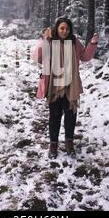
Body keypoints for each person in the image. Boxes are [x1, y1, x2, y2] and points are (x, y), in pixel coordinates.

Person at [32, 17, 98, 159]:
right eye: (62, 28)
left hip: (70, 86)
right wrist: (43, 39)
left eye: (67, 29)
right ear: (57, 28)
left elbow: (85, 56)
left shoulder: (74, 42)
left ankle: (69, 142)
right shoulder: (50, 41)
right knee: (54, 117)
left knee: (70, 116)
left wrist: (93, 43)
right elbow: (37, 57)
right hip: (54, 87)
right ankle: (53, 144)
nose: (64, 31)